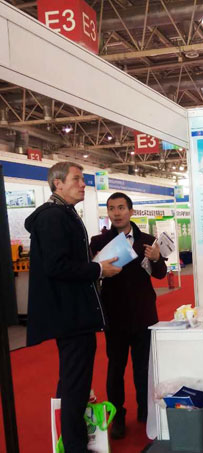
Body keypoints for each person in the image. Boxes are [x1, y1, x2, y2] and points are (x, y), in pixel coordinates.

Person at [25, 161, 121, 453]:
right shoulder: (53, 217)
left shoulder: (63, 214)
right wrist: (97, 269)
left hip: (75, 314)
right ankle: (75, 446)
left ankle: (72, 442)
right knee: (74, 387)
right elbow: (56, 265)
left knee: (74, 383)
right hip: (70, 316)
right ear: (58, 184)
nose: (83, 184)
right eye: (77, 179)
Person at [90, 192, 166, 439]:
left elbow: (160, 274)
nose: (117, 213)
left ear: (131, 211)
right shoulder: (99, 242)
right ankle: (118, 416)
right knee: (116, 369)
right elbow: (91, 274)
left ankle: (145, 411)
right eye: (112, 208)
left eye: (122, 207)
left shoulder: (147, 241)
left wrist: (156, 259)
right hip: (115, 316)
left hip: (144, 315)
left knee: (143, 368)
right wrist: (99, 269)